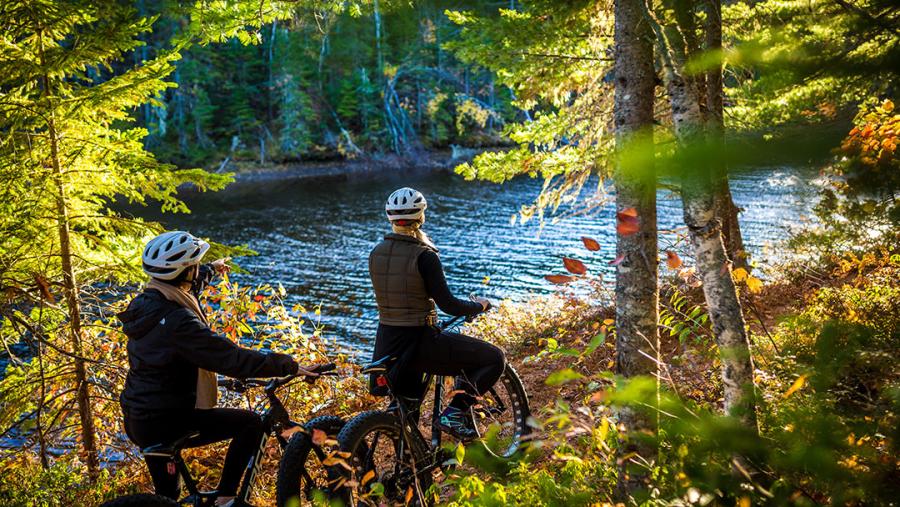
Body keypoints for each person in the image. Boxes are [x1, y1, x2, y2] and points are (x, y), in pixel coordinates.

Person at [119, 231, 314, 506]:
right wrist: (285, 364)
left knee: (167, 500)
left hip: (139, 415)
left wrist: (211, 269)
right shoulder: (179, 322)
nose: (196, 271)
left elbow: (188, 286)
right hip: (168, 420)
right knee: (251, 423)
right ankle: (226, 500)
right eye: (195, 266)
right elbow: (230, 358)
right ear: (185, 272)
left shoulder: (148, 304)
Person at [368, 187, 506, 441]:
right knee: (494, 358)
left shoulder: (376, 253)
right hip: (419, 343)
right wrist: (479, 306)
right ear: (421, 217)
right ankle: (455, 412)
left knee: (405, 412)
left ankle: (408, 472)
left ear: (390, 218)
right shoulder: (425, 255)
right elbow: (449, 305)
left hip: (387, 345)